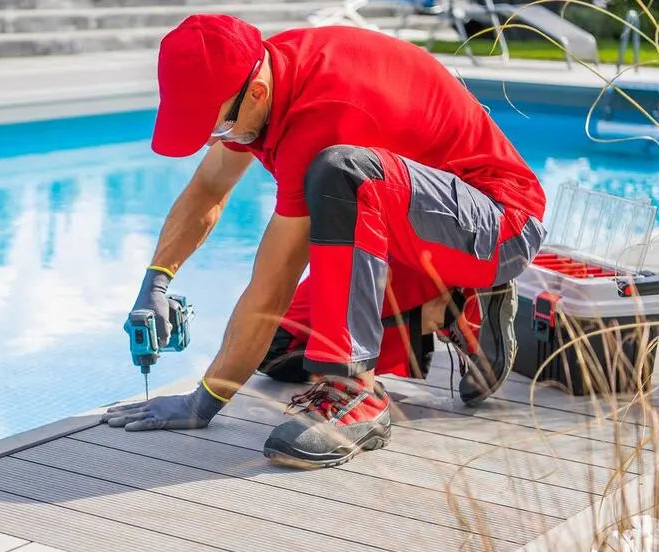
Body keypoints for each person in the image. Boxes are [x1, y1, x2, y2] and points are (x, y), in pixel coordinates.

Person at [103, 15, 547, 469]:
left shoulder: (321, 116)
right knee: (280, 349)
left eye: (219, 129)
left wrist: (204, 402)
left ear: (255, 93)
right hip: (418, 231)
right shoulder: (262, 76)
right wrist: (155, 281)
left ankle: (357, 395)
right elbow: (208, 188)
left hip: (497, 227)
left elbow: (271, 286)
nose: (220, 142)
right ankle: (448, 305)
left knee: (341, 174)